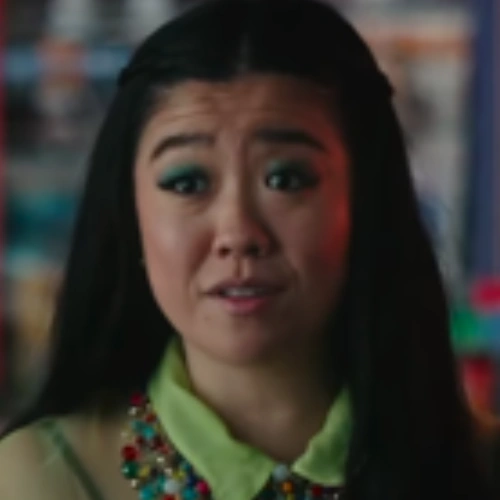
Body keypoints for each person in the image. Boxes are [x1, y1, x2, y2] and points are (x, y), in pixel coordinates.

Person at [0, 0, 496, 499]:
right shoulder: (44, 477)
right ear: (130, 215)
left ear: (367, 202)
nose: (238, 232)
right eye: (188, 182)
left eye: (286, 179)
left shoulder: (479, 465)